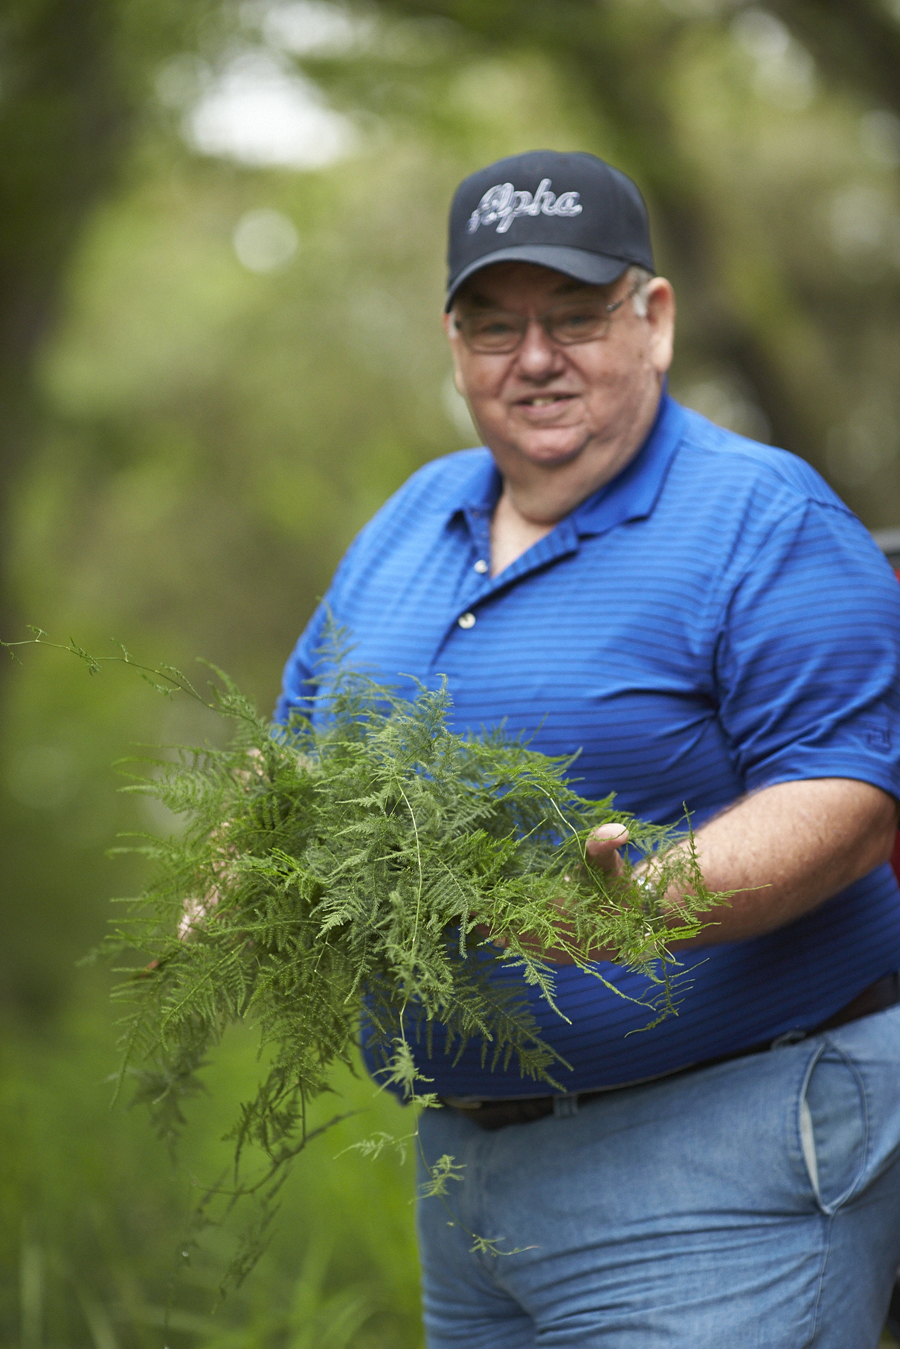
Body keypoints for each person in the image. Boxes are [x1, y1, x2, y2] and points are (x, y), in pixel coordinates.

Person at [275, 150, 900, 1347]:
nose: (535, 357)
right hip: (472, 1184)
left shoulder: (766, 515)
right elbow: (297, 749)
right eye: (494, 324)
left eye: (574, 314)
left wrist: (642, 906)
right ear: (453, 342)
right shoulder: (414, 515)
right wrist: (240, 863)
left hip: (726, 1161)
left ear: (653, 319)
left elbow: (847, 795)